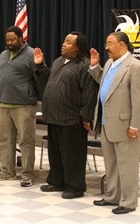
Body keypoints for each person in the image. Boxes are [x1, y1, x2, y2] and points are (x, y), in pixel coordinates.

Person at [89, 31, 140, 214]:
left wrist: (134, 126)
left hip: (125, 126)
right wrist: (95, 67)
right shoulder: (109, 63)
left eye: (110, 43)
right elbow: (106, 83)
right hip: (107, 123)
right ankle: (113, 196)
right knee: (111, 163)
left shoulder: (135, 67)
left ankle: (129, 202)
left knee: (128, 165)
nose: (106, 47)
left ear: (122, 45)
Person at [34, 31, 99, 199]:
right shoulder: (58, 62)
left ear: (78, 48)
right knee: (55, 153)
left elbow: (89, 93)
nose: (64, 44)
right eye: (64, 41)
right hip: (54, 116)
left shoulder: (85, 65)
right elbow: (49, 81)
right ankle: (57, 181)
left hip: (72, 119)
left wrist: (86, 117)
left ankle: (75, 187)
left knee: (73, 156)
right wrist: (41, 66)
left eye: (69, 42)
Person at [0, 25, 46, 187]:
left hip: (24, 106)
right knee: (4, 140)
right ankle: (7, 172)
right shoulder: (4, 54)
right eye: (7, 40)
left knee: (26, 141)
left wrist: (40, 65)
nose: (9, 43)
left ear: (21, 38)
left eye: (12, 40)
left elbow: (42, 77)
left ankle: (27, 174)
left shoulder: (31, 54)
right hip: (3, 104)